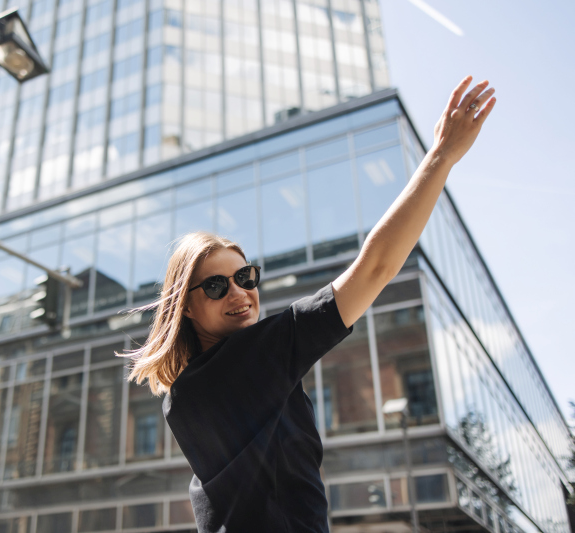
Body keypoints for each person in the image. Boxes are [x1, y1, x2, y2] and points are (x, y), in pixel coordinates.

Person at [124, 77, 496, 532]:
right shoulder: (251, 358)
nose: (240, 292)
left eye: (245, 277)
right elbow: (376, 267)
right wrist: (441, 156)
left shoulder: (185, 394)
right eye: (217, 287)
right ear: (186, 307)